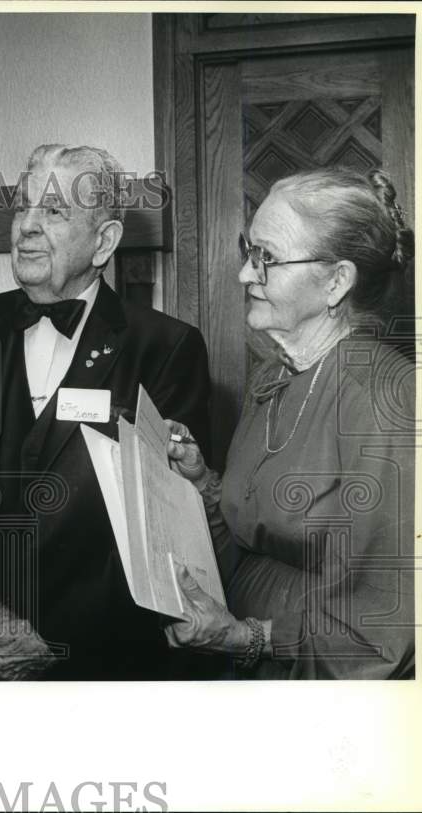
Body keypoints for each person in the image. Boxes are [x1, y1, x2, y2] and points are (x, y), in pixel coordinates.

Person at [0, 144, 212, 680]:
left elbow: (167, 532)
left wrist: (58, 647)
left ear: (104, 241)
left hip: (99, 667)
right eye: (22, 206)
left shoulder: (165, 347)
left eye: (54, 211)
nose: (27, 228)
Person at [165, 167, 415, 679]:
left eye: (268, 258)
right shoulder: (275, 374)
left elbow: (388, 624)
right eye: (248, 250)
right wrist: (204, 483)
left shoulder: (387, 399)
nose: (244, 274)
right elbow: (262, 527)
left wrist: (249, 636)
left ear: (336, 282)